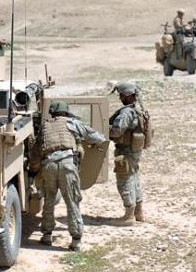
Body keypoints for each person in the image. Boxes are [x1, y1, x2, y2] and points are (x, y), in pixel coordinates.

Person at [36, 101, 105, 252]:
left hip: (49, 165)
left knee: (49, 200)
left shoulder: (45, 126)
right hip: (67, 165)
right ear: (66, 112)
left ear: (52, 112)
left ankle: (47, 235)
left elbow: (37, 148)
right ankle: (76, 240)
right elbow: (98, 137)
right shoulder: (72, 123)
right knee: (72, 201)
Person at [109, 81, 151, 226]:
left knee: (124, 180)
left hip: (125, 150)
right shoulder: (139, 108)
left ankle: (128, 216)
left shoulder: (127, 112)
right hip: (135, 150)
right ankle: (138, 212)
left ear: (127, 95)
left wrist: (104, 129)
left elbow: (116, 131)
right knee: (134, 178)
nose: (120, 98)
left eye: (121, 95)